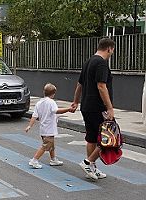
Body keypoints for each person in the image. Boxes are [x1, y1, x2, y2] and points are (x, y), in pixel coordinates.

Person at [71, 38, 115, 180]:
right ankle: (88, 162)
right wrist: (110, 108)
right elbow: (101, 86)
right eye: (112, 50)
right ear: (109, 48)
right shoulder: (101, 63)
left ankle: (91, 168)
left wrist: (76, 102)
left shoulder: (88, 62)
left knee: (91, 138)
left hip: (86, 106)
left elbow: (79, 85)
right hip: (98, 108)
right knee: (109, 139)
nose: (111, 53)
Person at [25, 83, 72, 169]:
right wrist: (68, 109)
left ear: (44, 92)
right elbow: (56, 111)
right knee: (45, 146)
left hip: (43, 129)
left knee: (51, 145)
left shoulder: (39, 103)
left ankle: (53, 159)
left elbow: (34, 116)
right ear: (53, 94)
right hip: (49, 129)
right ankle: (34, 160)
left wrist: (29, 126)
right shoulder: (51, 102)